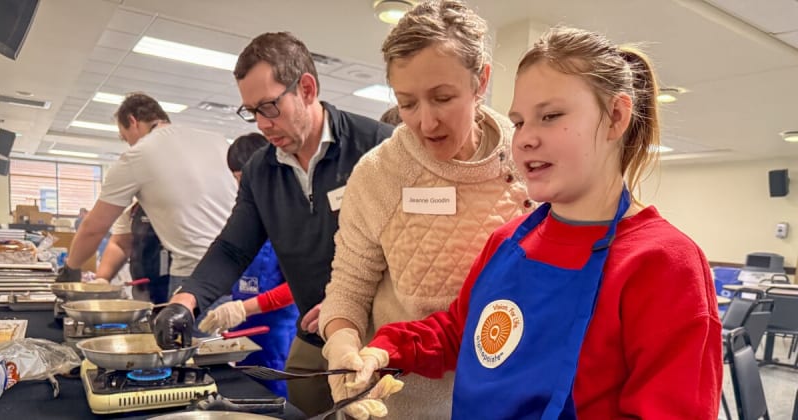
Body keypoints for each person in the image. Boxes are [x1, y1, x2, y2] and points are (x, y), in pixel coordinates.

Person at [335, 26, 724, 419]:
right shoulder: (508, 241)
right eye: (519, 122)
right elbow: (460, 330)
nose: (523, 140)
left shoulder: (665, 264)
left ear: (616, 117)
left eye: (550, 116)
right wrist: (385, 349)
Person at [151, 32, 394, 416]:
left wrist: (344, 305)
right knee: (304, 409)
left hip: (381, 338)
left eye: (269, 107)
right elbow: (232, 247)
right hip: (313, 335)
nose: (262, 124)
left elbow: (409, 250)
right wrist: (186, 301)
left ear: (308, 88)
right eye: (251, 111)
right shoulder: (259, 172)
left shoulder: (379, 147)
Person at [317, 1, 531, 418]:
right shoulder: (379, 174)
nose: (426, 122)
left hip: (507, 398)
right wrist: (342, 342)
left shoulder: (527, 157)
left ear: (481, 81)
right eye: (408, 103)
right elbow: (348, 285)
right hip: (401, 401)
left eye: (443, 97)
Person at [55, 93, 237, 301]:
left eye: (126, 138)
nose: (129, 145)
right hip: (238, 269)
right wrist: (102, 278)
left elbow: (93, 228)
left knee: (192, 334)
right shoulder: (217, 141)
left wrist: (71, 268)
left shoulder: (139, 155)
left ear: (133, 121)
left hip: (194, 275)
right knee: (225, 334)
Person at [197, 132, 299, 398]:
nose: (245, 190)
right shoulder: (247, 219)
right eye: (239, 182)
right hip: (243, 335)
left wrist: (246, 307)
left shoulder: (292, 219)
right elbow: (228, 262)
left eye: (247, 180)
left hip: (278, 335)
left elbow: (298, 287)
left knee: (276, 400)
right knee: (246, 395)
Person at [93, 203, 171, 304]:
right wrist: (102, 280)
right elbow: (120, 244)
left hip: (183, 286)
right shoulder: (131, 203)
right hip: (142, 287)